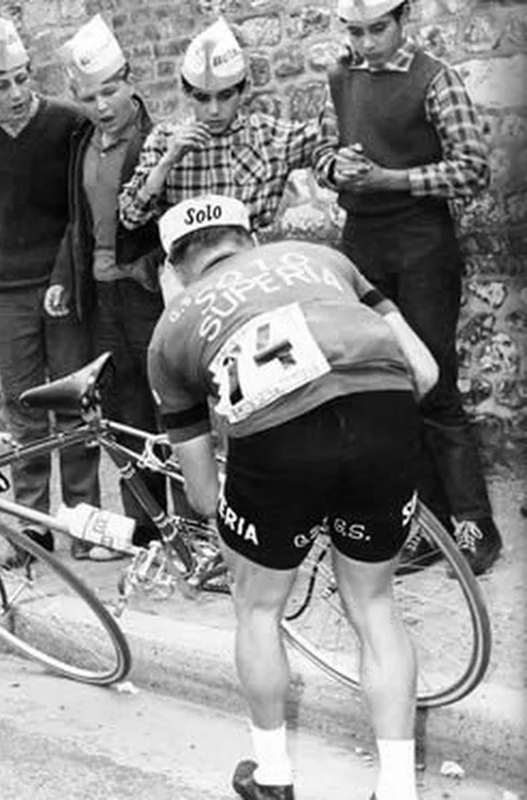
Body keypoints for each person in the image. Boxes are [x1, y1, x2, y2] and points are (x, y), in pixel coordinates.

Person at [148, 194, 438, 800]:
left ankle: (274, 775)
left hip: (276, 444)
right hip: (381, 411)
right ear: (251, 240)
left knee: (257, 611)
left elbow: (202, 493)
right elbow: (427, 372)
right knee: (375, 606)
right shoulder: (321, 258)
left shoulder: (170, 331)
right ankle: (395, 789)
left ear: (173, 270)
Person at [315, 0, 502, 576]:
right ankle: (430, 528)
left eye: (378, 30)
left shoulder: (435, 79)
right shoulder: (340, 77)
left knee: (433, 382)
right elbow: (322, 150)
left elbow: (473, 169)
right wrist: (334, 169)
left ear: (404, 20)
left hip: (422, 242)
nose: (367, 43)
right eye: (356, 32)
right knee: (387, 389)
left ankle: (476, 527)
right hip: (361, 243)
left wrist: (391, 179)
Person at [0, 16, 101, 565]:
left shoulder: (67, 123)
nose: (14, 92)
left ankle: (84, 523)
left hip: (62, 283)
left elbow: (81, 206)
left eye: (20, 78)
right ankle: (32, 527)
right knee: (24, 406)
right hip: (8, 289)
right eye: (0, 83)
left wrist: (61, 271)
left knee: (75, 401)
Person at [48, 15, 175, 559]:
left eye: (111, 90)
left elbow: (174, 216)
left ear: (130, 81)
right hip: (102, 300)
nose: (103, 105)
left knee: (170, 407)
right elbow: (78, 220)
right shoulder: (83, 143)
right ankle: (144, 529)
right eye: (90, 96)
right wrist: (62, 278)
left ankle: (188, 528)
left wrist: (151, 264)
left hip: (147, 296)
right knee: (123, 416)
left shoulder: (157, 139)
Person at [119, 16, 332, 300]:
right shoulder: (164, 139)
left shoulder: (265, 134)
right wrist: (168, 160)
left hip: (250, 273)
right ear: (187, 94)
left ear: (242, 91)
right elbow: (130, 216)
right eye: (202, 98)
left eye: (225, 96)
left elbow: (324, 142)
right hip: (187, 280)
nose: (215, 110)